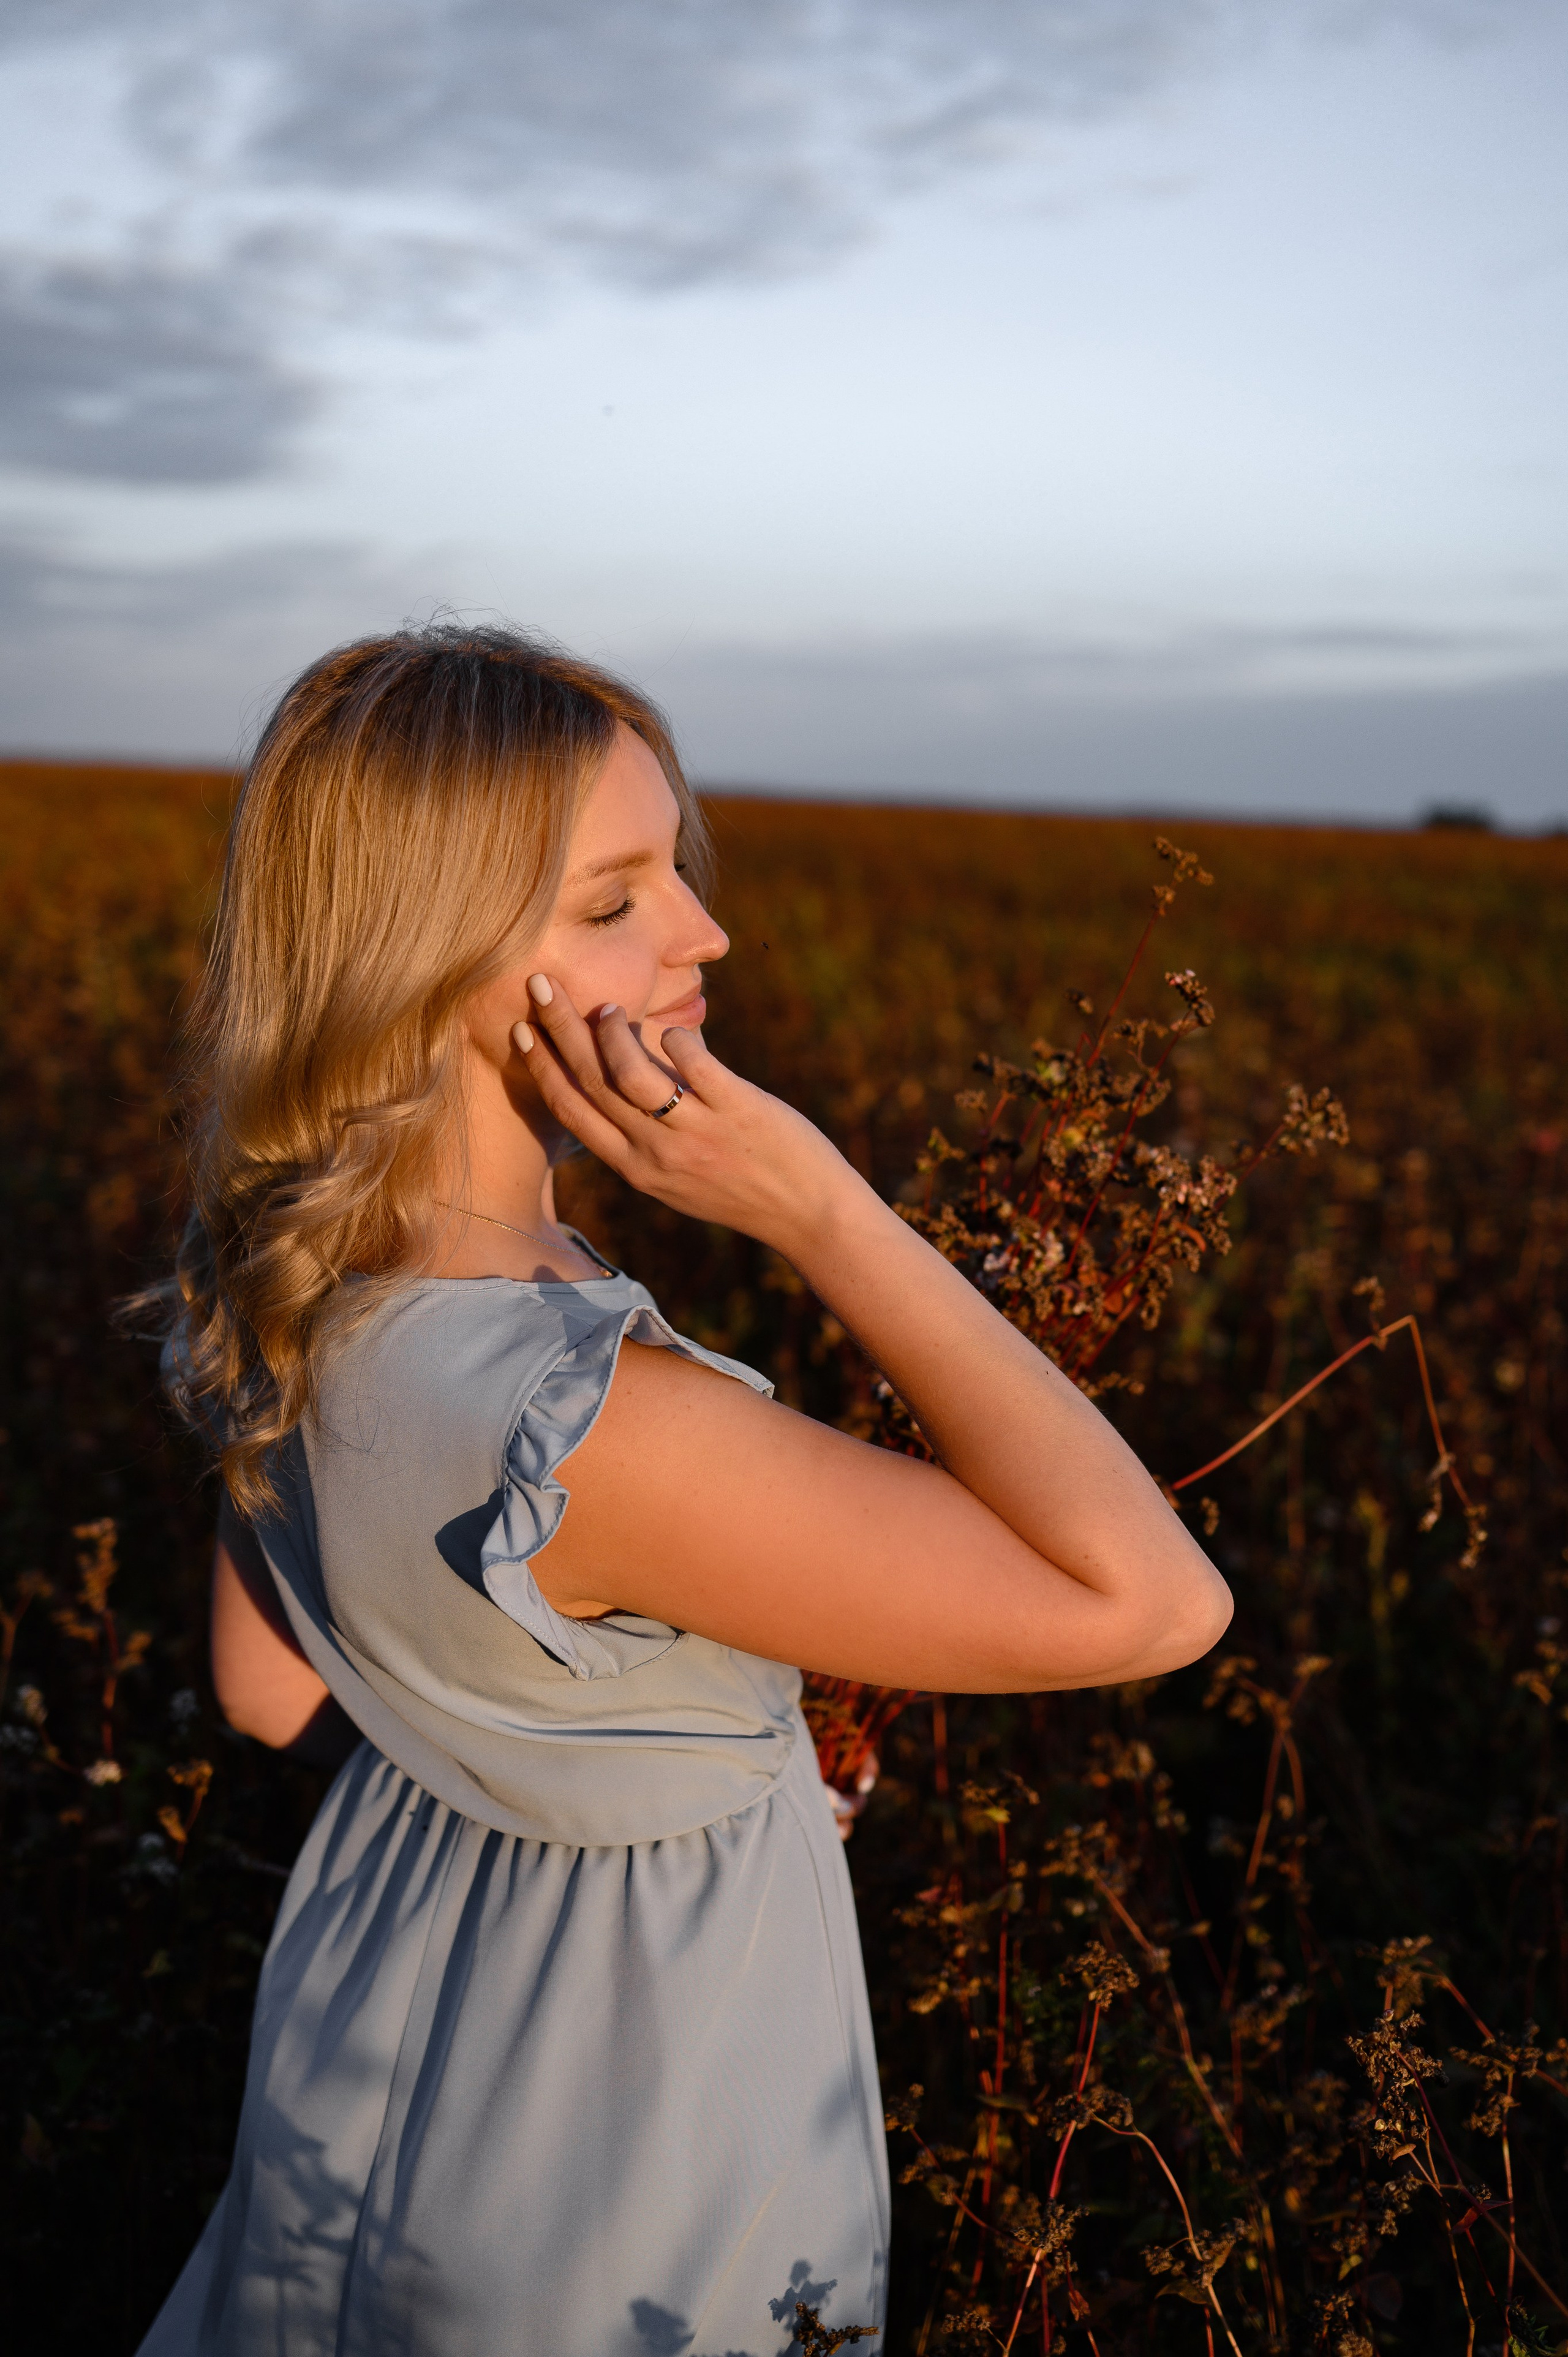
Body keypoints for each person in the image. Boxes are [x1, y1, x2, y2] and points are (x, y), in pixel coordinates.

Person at [135, 625, 1232, 2357]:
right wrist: (826, 1211)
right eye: (615, 899)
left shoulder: (291, 1271)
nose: (703, 931)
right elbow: (1156, 1605)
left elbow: (271, 1693)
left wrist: (662, 1741)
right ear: (427, 954)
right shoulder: (591, 1418)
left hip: (387, 2021)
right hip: (626, 2088)